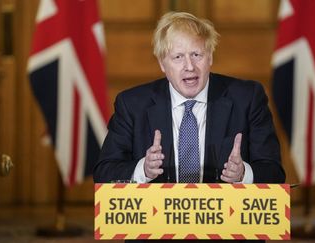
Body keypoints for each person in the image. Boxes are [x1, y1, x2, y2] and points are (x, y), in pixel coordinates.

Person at [93, 11, 285, 242]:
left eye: (197, 54)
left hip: (226, 232)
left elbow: (275, 173)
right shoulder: (132, 104)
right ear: (162, 64)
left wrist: (244, 173)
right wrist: (143, 169)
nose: (189, 67)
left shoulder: (248, 98)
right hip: (156, 232)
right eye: (178, 57)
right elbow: (104, 173)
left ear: (210, 57)